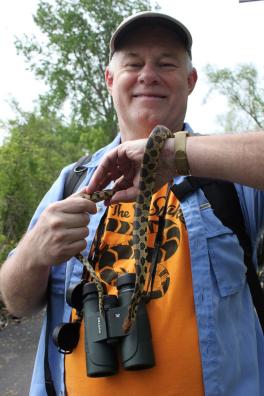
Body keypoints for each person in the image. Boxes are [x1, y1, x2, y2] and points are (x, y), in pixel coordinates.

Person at [0, 10, 264, 396]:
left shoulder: (228, 175)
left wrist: (177, 154)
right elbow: (15, 301)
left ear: (190, 81)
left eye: (166, 63)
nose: (148, 74)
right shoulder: (72, 182)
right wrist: (35, 252)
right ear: (109, 80)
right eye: (133, 64)